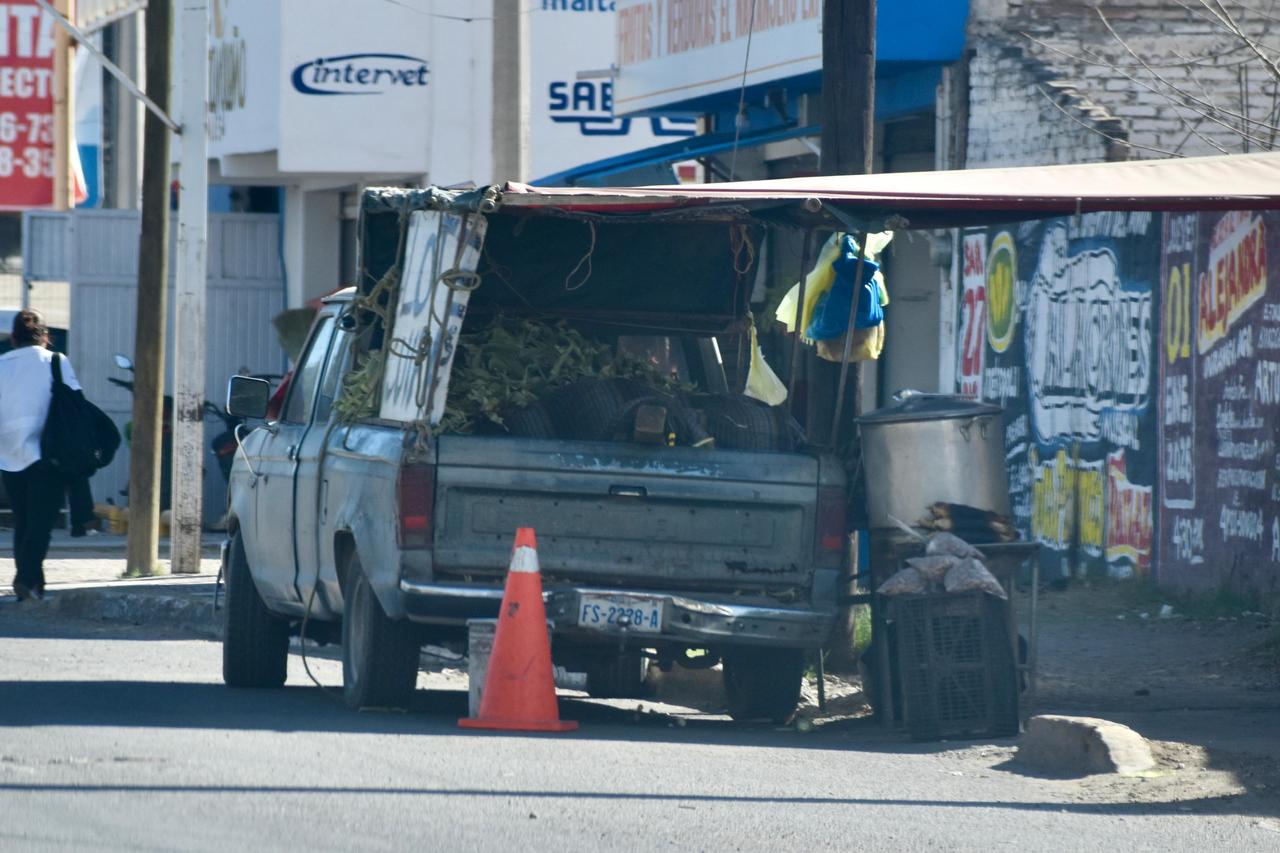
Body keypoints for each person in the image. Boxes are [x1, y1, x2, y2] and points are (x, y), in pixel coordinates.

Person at [0, 309, 81, 601]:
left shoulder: (1, 365)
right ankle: (25, 578)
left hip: (8, 455)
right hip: (47, 453)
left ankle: (33, 583)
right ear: (46, 338)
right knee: (41, 522)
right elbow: (76, 402)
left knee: (23, 519)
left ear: (13, 338)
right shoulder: (56, 362)